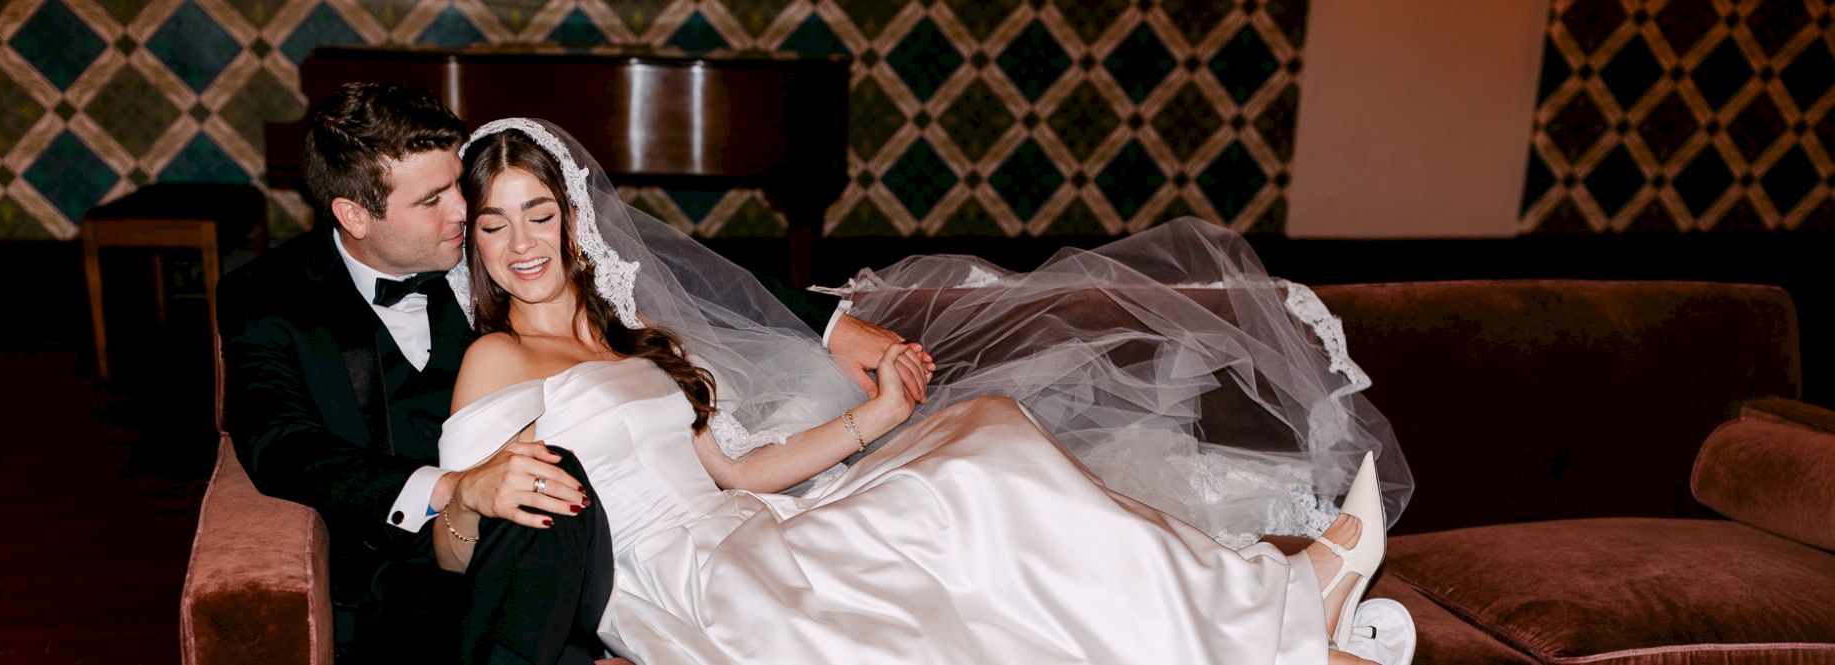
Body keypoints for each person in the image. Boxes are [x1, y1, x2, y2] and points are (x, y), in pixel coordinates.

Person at [436, 118, 1414, 664]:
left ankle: (1275, 612)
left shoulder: (632, 338)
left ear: (573, 219)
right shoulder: (496, 360)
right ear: (470, 240)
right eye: (494, 223)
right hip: (677, 582)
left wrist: (876, 418)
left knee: (984, 440)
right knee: (949, 561)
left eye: (538, 213)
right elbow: (454, 546)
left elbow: (734, 470)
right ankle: (1289, 610)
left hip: (746, 524)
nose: (521, 244)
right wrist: (472, 492)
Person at [218, 83, 922, 664]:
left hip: (639, 544)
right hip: (423, 576)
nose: (464, 212)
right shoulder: (269, 297)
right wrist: (454, 490)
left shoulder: (495, 258)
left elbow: (679, 274)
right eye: (435, 200)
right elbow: (281, 444)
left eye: (460, 188)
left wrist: (833, 327)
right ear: (353, 214)